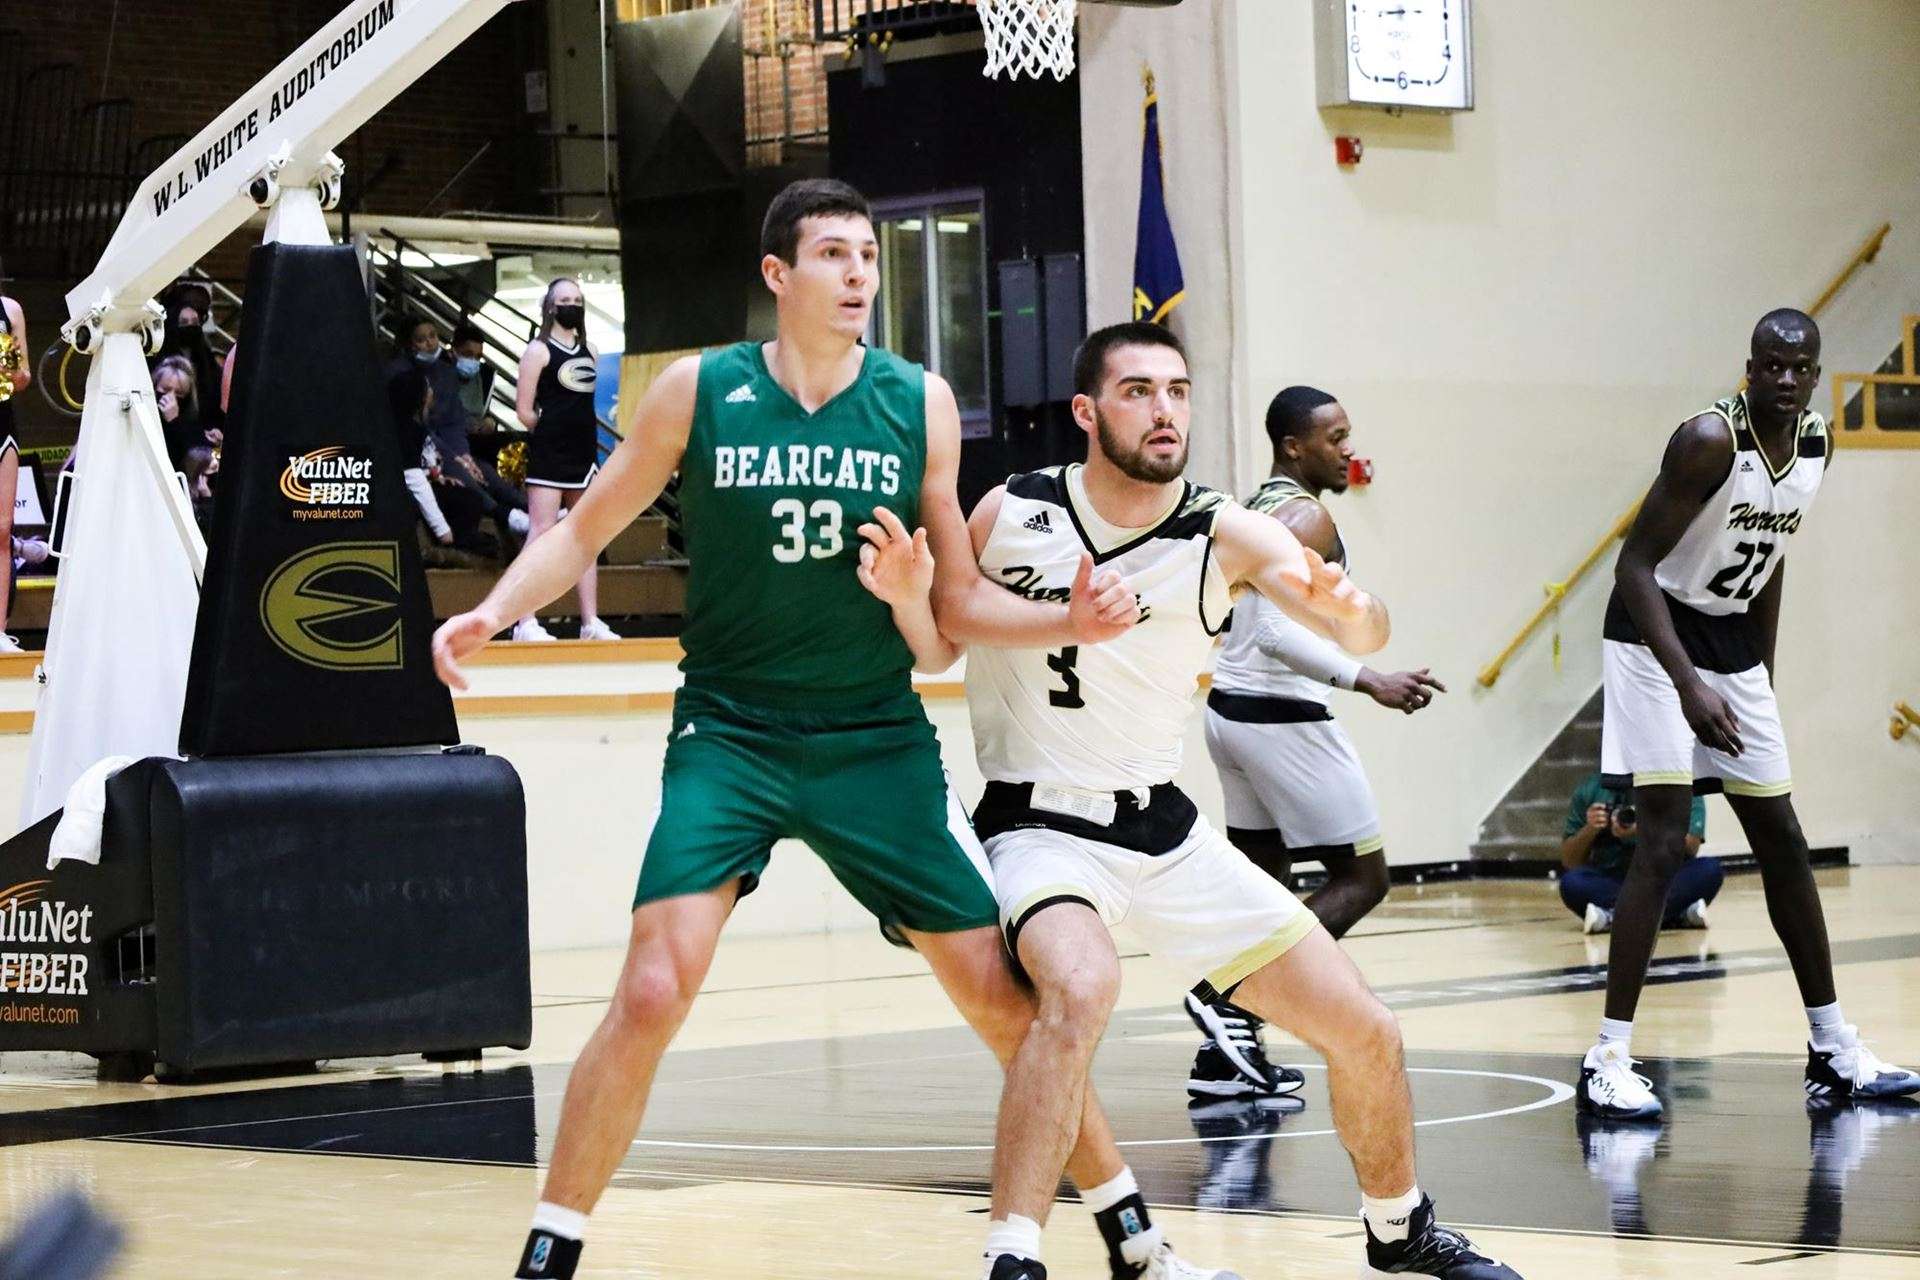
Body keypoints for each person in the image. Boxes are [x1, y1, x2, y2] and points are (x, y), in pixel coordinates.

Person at [432, 180, 1230, 1280]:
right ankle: (550, 1248)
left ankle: (1133, 1234)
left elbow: (945, 632)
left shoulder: (919, 403)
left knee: (1005, 1003)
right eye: (836, 255)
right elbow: (588, 527)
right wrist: (493, 609)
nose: (861, 273)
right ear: (779, 275)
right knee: (654, 986)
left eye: (868, 254)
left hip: (873, 739)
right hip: (732, 732)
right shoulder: (696, 391)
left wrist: (921, 594)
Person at [955, 321, 1523, 1279]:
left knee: (1366, 1029)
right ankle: (1014, 1255)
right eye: (1138, 392)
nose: (1165, 410)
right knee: (1082, 988)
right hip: (1037, 824)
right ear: (1088, 412)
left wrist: (1353, 604)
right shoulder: (1012, 508)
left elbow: (1368, 623)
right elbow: (944, 625)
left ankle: (1400, 1227)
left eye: (1177, 391)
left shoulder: (1224, 528)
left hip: (1162, 829)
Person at [1582, 308, 1920, 1121]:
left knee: (1784, 839)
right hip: (1652, 635)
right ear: (1749, 367)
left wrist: (1758, 675)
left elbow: (1768, 561)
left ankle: (1833, 1050)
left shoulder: (1814, 445)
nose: (1783, 379)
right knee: (1662, 841)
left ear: (1813, 376)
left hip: (1730, 644)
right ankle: (1607, 1060)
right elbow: (1633, 565)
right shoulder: (1706, 441)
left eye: (1798, 369)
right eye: (1769, 365)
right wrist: (1688, 685)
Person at [1191, 385, 1444, 1103]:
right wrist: (1370, 679)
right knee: (1364, 878)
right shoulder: (1305, 515)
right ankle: (1227, 994)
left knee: (1264, 894)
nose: (1347, 450)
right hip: (1280, 717)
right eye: (1334, 438)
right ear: (1293, 446)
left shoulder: (1258, 506)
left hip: (1230, 713)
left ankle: (1223, 1061)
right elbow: (1274, 632)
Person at [512, 281, 615, 641]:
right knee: (539, 533)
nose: (572, 306)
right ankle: (525, 621)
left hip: (584, 453)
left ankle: (590, 622)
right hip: (550, 454)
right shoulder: (538, 351)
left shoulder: (592, 351)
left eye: (577, 300)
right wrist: (552, 429)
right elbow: (524, 411)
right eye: (564, 301)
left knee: (586, 535)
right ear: (550, 308)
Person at [1558, 770, 1718, 934]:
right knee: (1572, 883)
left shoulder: (1683, 785)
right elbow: (1570, 862)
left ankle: (1612, 917)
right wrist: (1589, 829)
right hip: (1614, 879)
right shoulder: (1590, 788)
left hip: (1665, 878)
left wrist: (1647, 827)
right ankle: (1675, 914)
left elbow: (1691, 846)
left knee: (1709, 869)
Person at [0, 285, 26, 653]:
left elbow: (24, 377)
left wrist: (7, 367)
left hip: (2, 425)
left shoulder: (10, 309)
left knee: (2, 529)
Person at [153, 355, 210, 472]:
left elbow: (193, 461)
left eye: (179, 393)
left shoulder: (193, 425)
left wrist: (174, 423)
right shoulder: (146, 415)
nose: (171, 397)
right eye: (165, 390)